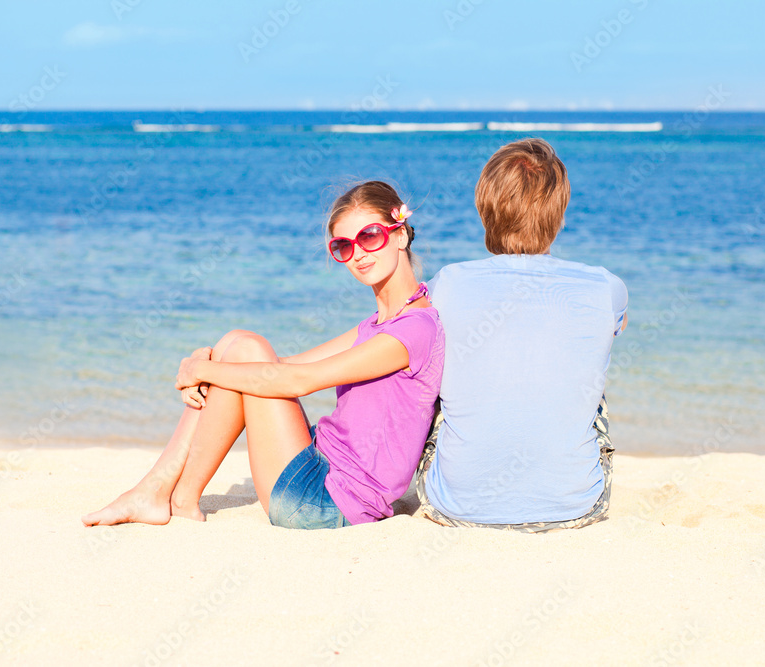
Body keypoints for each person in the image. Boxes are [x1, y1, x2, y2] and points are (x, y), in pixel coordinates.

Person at [83, 181, 444, 530]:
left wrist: (201, 369)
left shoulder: (414, 330)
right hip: (322, 464)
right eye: (343, 246)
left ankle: (167, 494)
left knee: (245, 350)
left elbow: (299, 381)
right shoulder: (379, 324)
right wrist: (208, 362)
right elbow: (286, 365)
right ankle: (168, 494)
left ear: (400, 234)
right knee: (237, 344)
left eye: (369, 236)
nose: (359, 253)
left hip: (326, 503)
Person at [416, 138, 628, 532]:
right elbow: (617, 326)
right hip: (576, 507)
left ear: (484, 210)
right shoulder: (605, 287)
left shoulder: (444, 286)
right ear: (560, 212)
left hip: (455, 507)